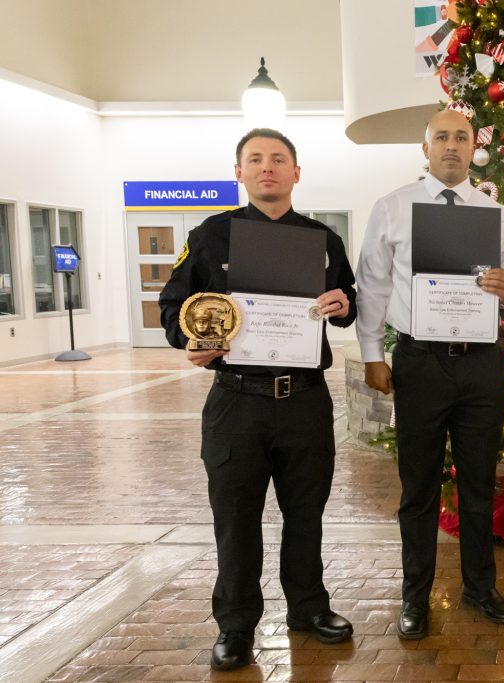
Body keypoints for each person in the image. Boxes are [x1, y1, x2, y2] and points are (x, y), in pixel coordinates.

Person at [158, 128, 357, 671]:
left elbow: (349, 300)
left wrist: (343, 304)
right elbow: (174, 307)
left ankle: (309, 608)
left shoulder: (323, 239)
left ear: (296, 172)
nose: (267, 167)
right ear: (239, 172)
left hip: (304, 400)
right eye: (255, 160)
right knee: (236, 517)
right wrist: (192, 341)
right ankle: (236, 624)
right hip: (236, 401)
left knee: (306, 514)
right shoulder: (208, 235)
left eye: (278, 159)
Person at [355, 109, 504, 639]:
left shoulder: (494, 212)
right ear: (425, 146)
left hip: (480, 363)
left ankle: (479, 587)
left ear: (475, 146)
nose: (451, 146)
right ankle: (415, 597)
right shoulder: (394, 207)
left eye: (461, 137)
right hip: (421, 362)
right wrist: (371, 354)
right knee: (419, 487)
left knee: (479, 483)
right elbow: (373, 285)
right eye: (441, 137)